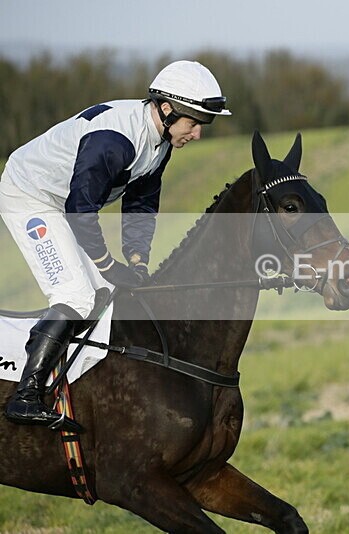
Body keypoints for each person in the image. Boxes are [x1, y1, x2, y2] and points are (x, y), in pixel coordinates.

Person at [0, 60, 231, 431]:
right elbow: (81, 211)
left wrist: (138, 261)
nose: (197, 134)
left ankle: (78, 390)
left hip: (65, 202)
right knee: (75, 296)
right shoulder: (114, 141)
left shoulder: (159, 143)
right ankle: (24, 397)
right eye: (195, 123)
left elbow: (140, 205)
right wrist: (108, 263)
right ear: (167, 109)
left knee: (105, 294)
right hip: (30, 195)